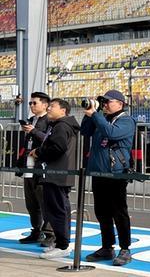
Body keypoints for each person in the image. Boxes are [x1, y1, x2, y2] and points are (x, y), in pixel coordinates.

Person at [80, 90, 135, 266]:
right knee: (102, 212)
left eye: (108, 102)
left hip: (116, 173)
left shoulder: (126, 120)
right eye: (103, 102)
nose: (104, 104)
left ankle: (125, 248)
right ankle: (107, 247)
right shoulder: (101, 119)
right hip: (98, 172)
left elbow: (111, 133)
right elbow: (85, 131)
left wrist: (96, 115)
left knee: (119, 212)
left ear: (120, 103)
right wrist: (90, 113)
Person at [30, 98, 79, 259]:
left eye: (52, 106)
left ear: (63, 110)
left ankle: (63, 245)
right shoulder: (59, 125)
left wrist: (39, 152)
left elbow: (58, 147)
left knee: (58, 210)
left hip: (57, 174)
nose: (49, 109)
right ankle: (60, 242)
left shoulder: (62, 126)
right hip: (56, 173)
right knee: (56, 209)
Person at [17, 91, 55, 246]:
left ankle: (50, 234)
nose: (31, 106)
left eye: (34, 103)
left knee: (45, 202)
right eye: (30, 103)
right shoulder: (32, 119)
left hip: (42, 167)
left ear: (45, 105)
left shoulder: (50, 120)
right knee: (31, 203)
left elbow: (49, 140)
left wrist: (34, 131)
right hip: (28, 165)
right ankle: (36, 231)